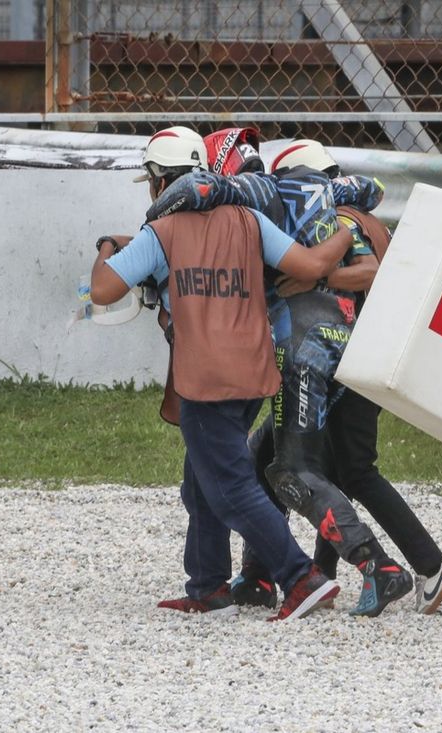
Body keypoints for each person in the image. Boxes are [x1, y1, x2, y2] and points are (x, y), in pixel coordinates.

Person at [144, 129, 415, 618]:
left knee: (291, 470)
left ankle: (375, 567)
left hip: (299, 346)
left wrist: (152, 226)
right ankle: (253, 578)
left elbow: (192, 191)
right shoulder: (325, 194)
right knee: (259, 459)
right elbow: (372, 188)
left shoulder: (256, 195)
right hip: (335, 338)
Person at [90, 126, 353, 621]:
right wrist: (345, 227)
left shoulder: (161, 233)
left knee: (230, 486)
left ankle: (301, 578)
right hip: (253, 371)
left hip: (204, 378)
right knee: (201, 481)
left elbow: (103, 291)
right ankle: (208, 587)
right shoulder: (250, 221)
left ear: (157, 182)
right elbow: (314, 263)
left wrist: (106, 246)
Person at [250, 139, 442, 615]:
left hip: (345, 356)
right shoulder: (361, 213)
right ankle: (316, 575)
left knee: (350, 471)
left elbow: (369, 271)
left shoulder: (339, 221)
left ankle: (426, 567)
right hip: (361, 352)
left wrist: (316, 277)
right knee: (322, 467)